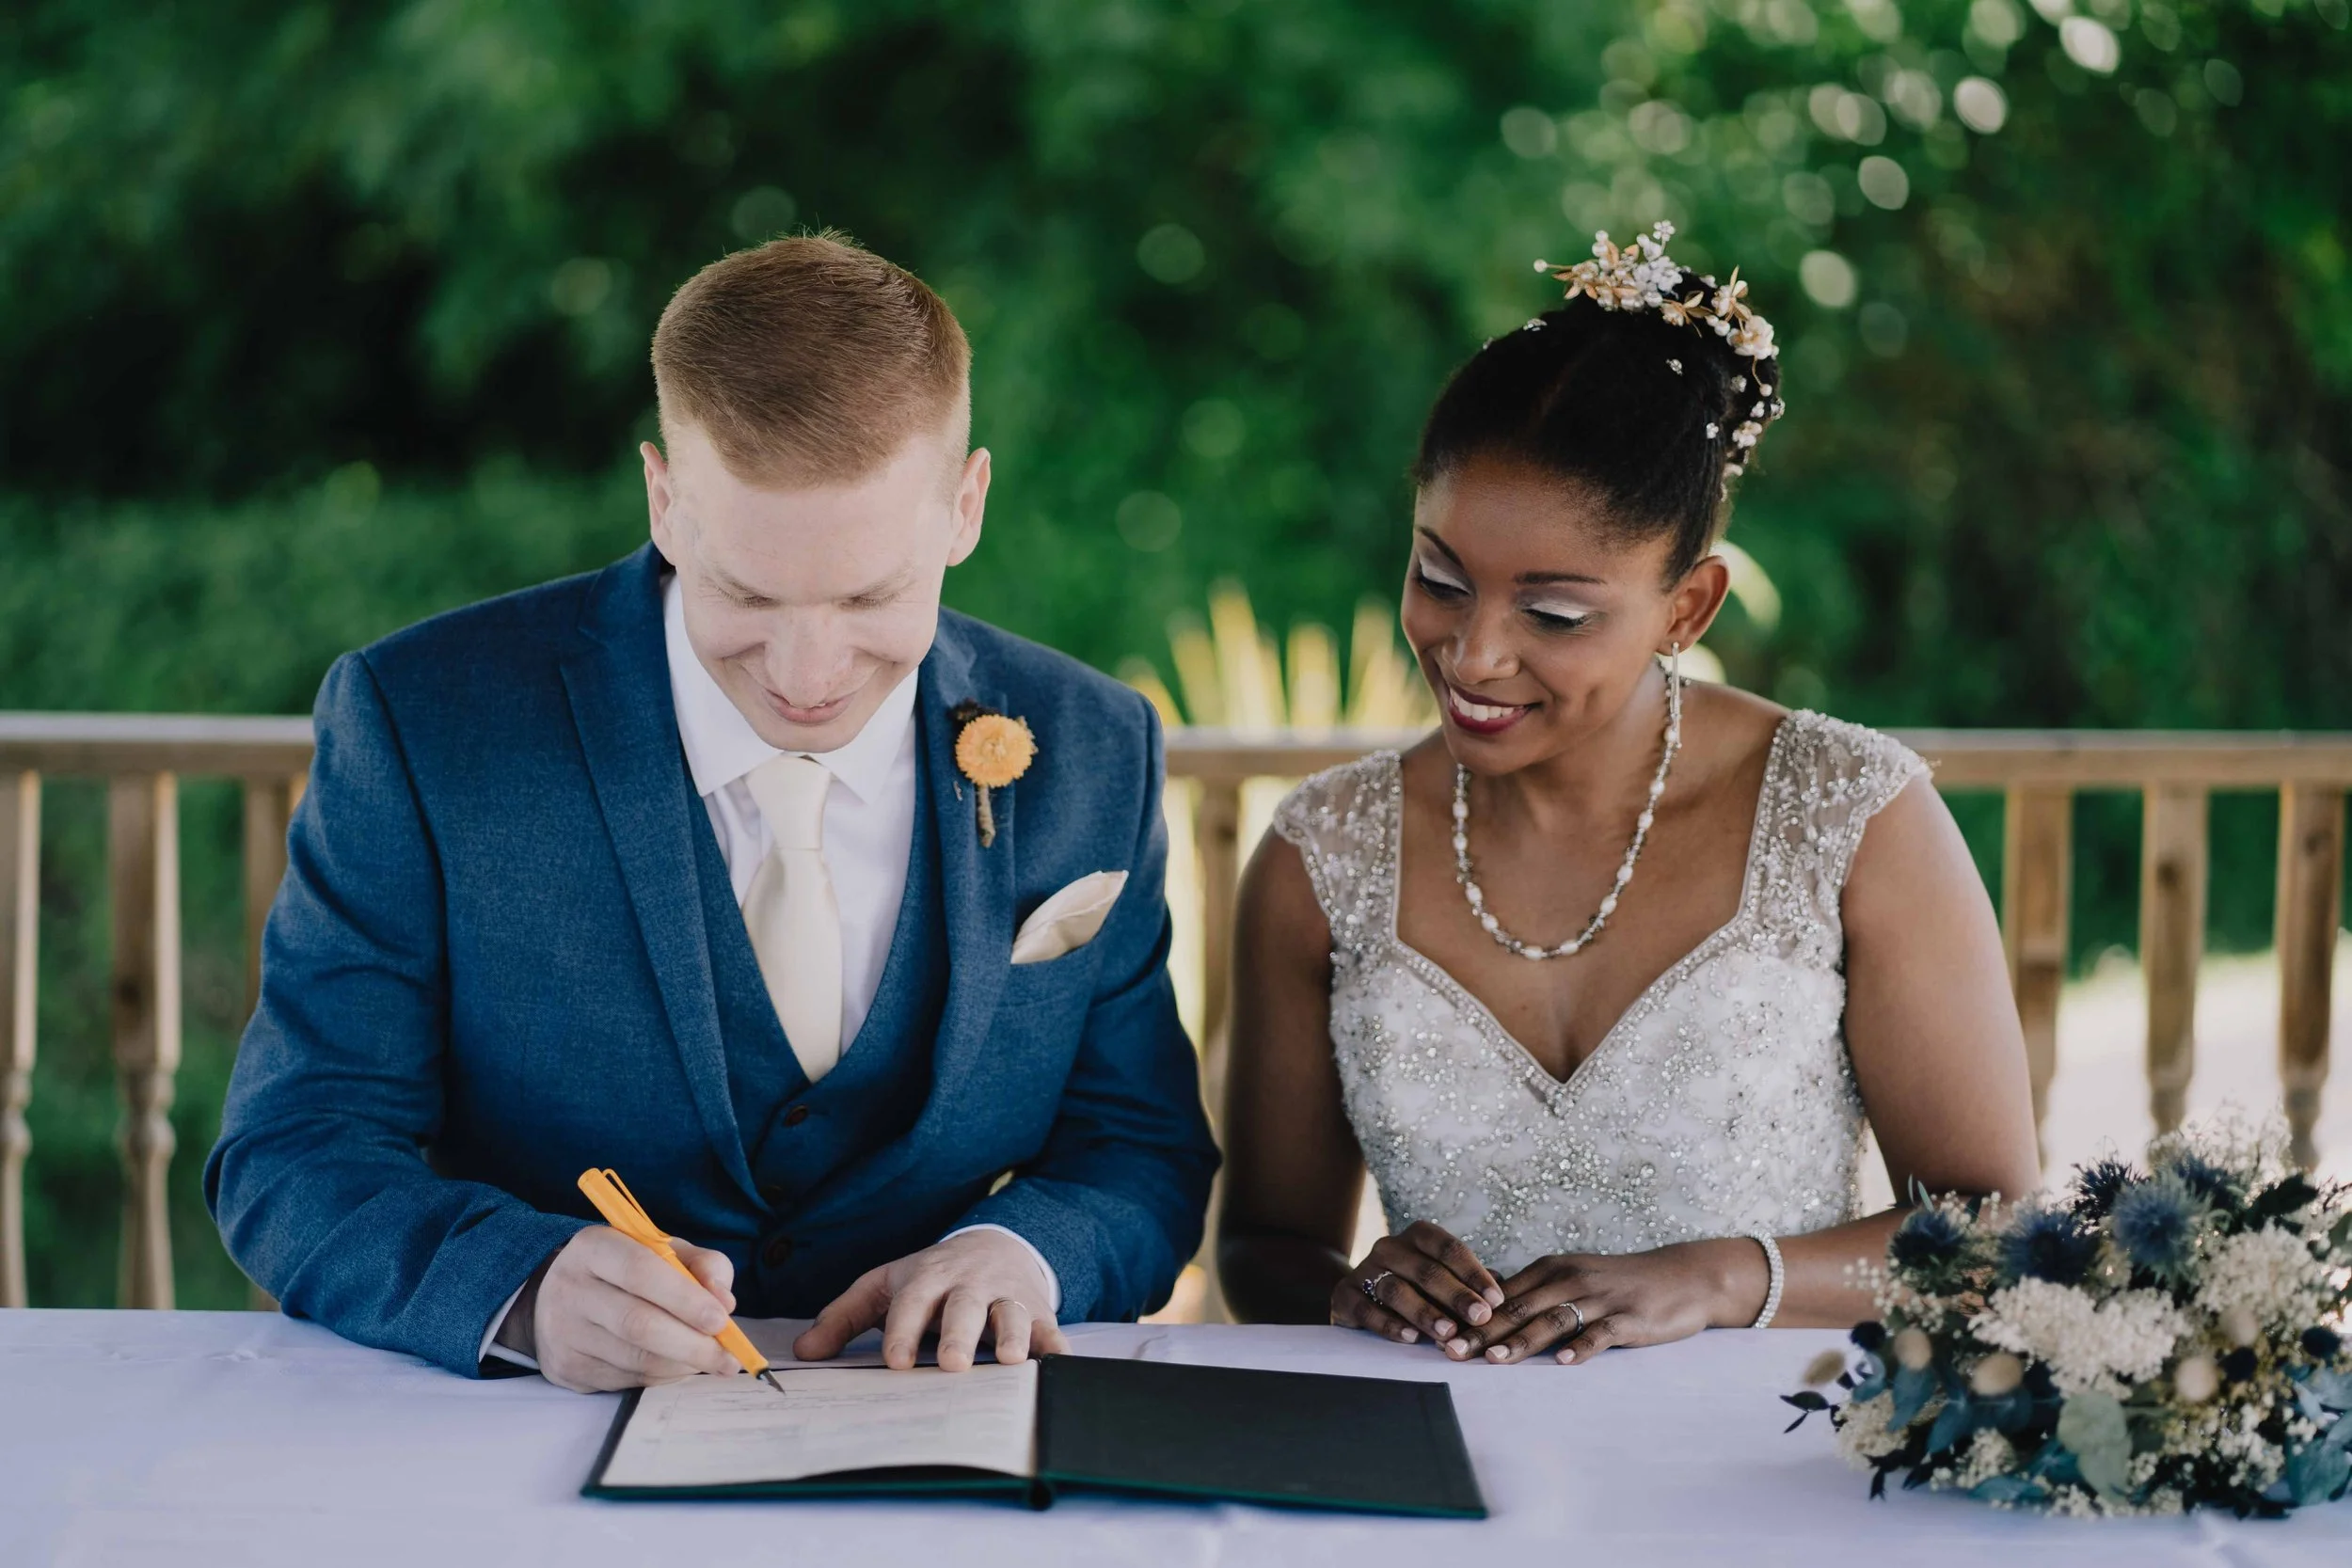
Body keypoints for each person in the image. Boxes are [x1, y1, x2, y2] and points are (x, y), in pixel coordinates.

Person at [207, 233, 1217, 1391]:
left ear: (966, 506)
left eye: (869, 595)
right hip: (529, 1449)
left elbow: (1136, 1149)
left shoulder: (1097, 747)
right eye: (746, 592)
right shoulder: (424, 724)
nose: (807, 668)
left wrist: (1021, 1252)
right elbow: (294, 1146)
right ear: (666, 502)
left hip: (940, 1440)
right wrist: (524, 1291)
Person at [1216, 224, 2041, 1365]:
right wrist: (1351, 1289)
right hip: (1439, 1457)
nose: (1474, 652)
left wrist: (1723, 1277)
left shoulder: (1852, 817)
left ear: (1688, 609)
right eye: (1437, 576)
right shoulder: (1321, 857)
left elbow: (1996, 1230)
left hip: (1773, 1460)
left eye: (1553, 614)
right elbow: (1263, 1248)